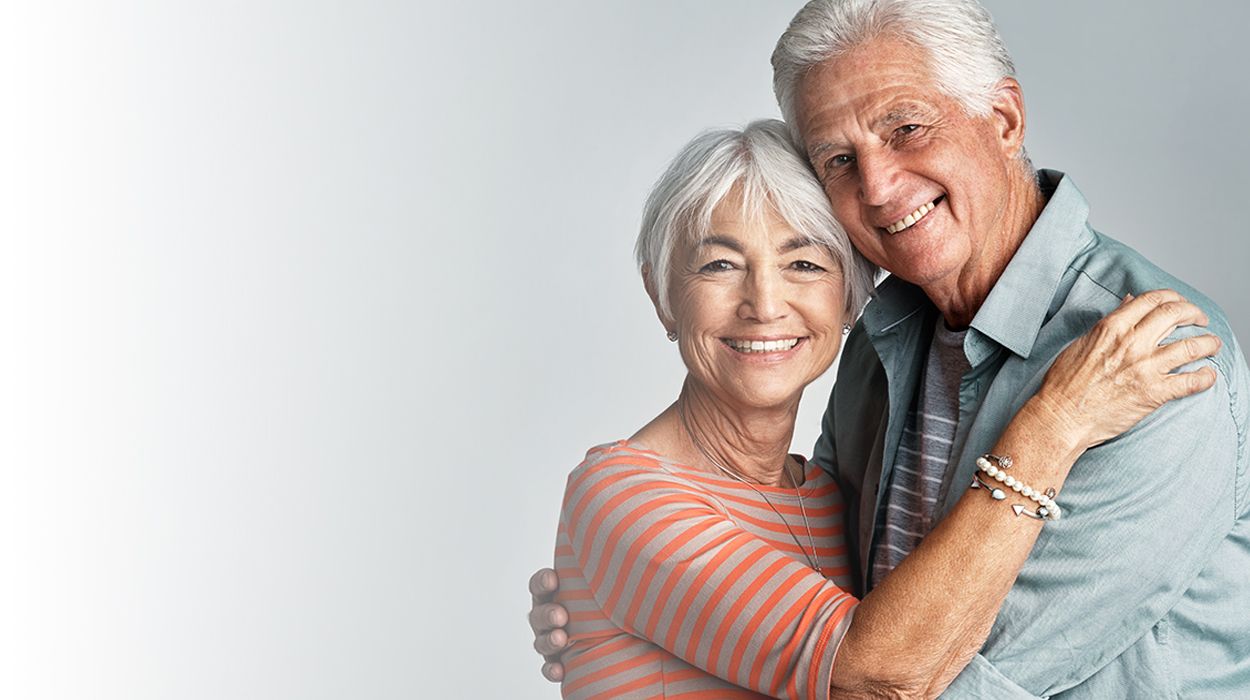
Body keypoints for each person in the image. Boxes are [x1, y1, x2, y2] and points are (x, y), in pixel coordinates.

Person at [533, 1, 1250, 696]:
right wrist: (629, 615)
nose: (877, 187)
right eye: (838, 159)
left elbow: (927, 683)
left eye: (906, 128)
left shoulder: (1149, 360)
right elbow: (846, 639)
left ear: (1004, 119)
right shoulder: (887, 338)